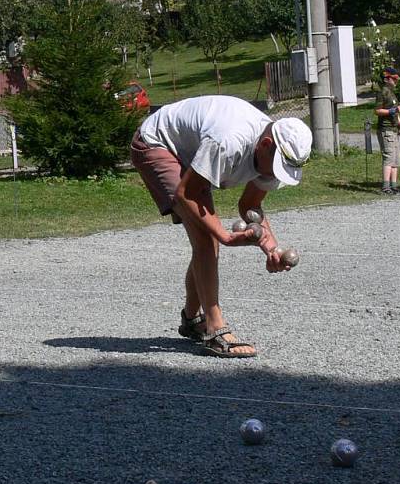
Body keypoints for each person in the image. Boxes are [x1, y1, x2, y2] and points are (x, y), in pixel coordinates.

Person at [130, 95, 312, 358]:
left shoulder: (269, 154)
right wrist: (225, 237)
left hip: (190, 152)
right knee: (207, 239)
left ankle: (192, 320)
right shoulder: (229, 141)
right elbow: (187, 194)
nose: (274, 174)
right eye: (276, 167)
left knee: (206, 237)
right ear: (265, 144)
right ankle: (215, 330)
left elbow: (250, 205)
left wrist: (271, 247)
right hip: (157, 143)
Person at [374, 66, 400, 195]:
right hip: (386, 130)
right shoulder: (383, 92)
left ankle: (394, 185)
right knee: (389, 158)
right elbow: (377, 111)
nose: (397, 81)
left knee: (396, 159)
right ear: (387, 79)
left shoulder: (392, 93)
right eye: (395, 79)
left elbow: (396, 113)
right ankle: (386, 186)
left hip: (394, 129)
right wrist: (392, 110)